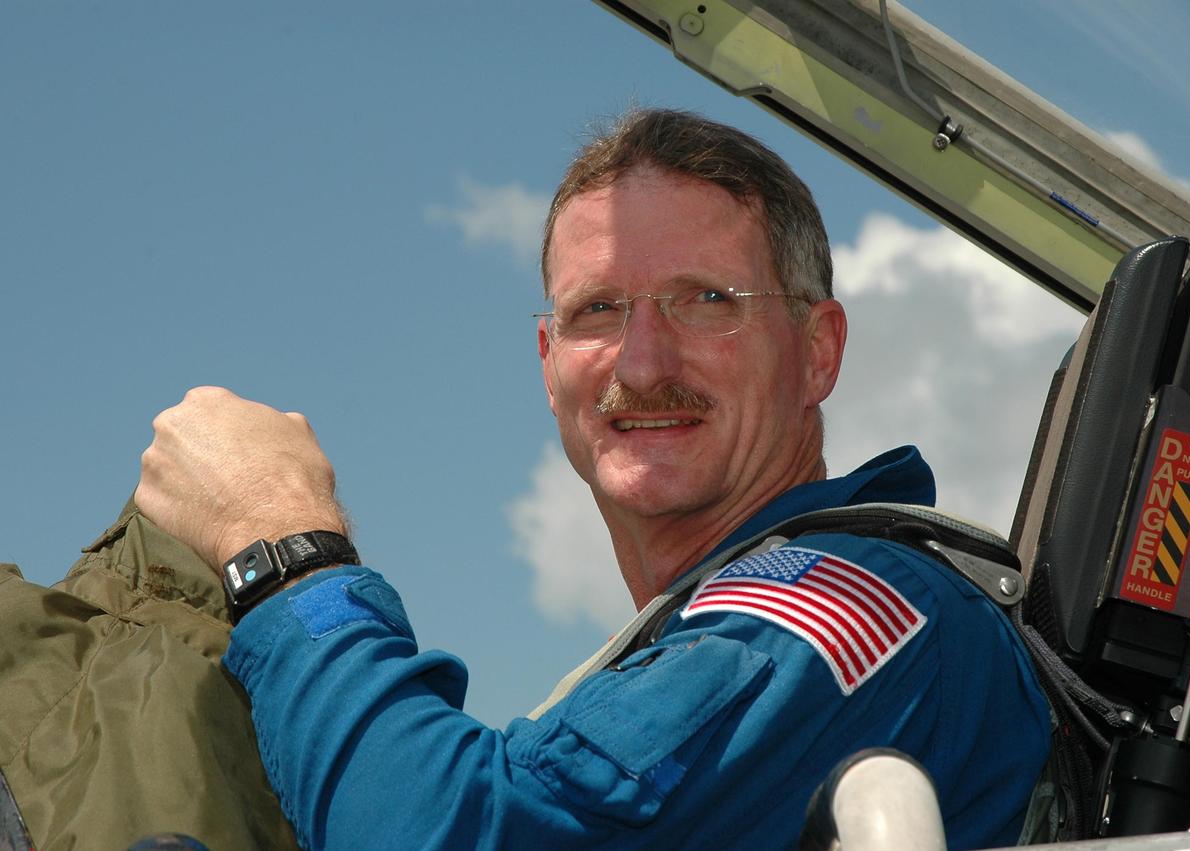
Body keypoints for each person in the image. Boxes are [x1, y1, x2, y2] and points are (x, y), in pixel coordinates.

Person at [133, 109, 1050, 849]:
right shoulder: (694, 643)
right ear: (547, 359)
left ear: (817, 352)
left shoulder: (853, 606)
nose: (643, 362)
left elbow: (464, 834)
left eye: (706, 300)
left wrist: (284, 546)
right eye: (597, 310)